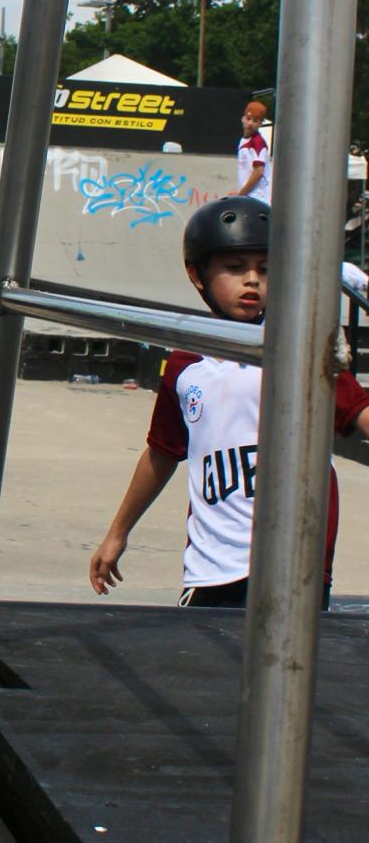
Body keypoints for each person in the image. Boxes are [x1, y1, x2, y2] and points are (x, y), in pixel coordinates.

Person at [89, 197, 369, 609]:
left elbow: (360, 413)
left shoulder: (299, 348)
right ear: (197, 275)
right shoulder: (185, 363)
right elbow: (162, 452)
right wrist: (118, 532)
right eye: (235, 269)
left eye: (266, 269)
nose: (252, 280)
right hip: (210, 564)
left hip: (292, 562)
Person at [236, 100, 271, 203]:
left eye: (255, 120)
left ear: (260, 123)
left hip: (257, 198)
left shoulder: (258, 143)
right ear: (243, 119)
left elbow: (258, 171)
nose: (250, 123)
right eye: (248, 118)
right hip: (248, 197)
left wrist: (241, 193)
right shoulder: (243, 141)